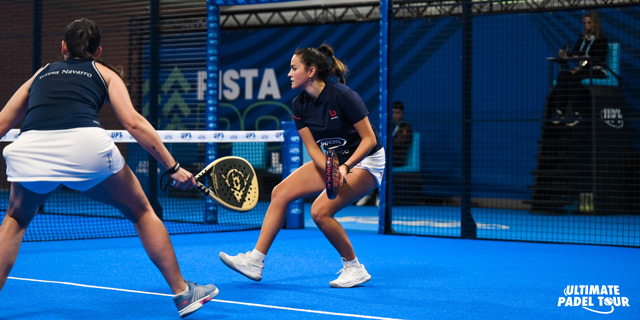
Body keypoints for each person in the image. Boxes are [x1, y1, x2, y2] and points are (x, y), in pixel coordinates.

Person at [0, 18, 217, 318]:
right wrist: (173, 167)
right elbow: (133, 123)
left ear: (63, 47)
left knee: (15, 218)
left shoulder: (41, 73)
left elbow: (1, 123)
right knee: (142, 212)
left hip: (31, 149)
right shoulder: (105, 73)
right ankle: (182, 292)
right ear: (98, 51)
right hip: (86, 148)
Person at [219, 44, 384, 288]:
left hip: (366, 160)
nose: (289, 73)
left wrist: (345, 167)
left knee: (319, 212)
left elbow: (369, 139)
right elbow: (313, 149)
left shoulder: (343, 96)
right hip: (335, 159)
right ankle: (255, 260)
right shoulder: (299, 104)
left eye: (294, 68)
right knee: (280, 192)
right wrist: (330, 169)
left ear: (311, 71)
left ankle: (354, 267)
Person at [548, 11, 608, 125]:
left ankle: (576, 113)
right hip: (582, 70)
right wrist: (565, 54)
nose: (587, 26)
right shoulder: (582, 38)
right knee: (563, 75)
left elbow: (597, 59)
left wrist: (580, 68)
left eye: (589, 23)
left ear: (595, 24)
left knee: (573, 78)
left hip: (596, 70)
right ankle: (560, 111)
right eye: (584, 23)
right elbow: (576, 53)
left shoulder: (601, 40)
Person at [355, 100, 413, 206]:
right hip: (385, 157)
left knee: (381, 164)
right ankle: (369, 193)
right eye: (393, 112)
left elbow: (401, 142)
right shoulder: (388, 126)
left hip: (397, 159)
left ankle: (378, 196)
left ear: (402, 114)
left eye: (398, 112)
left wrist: (387, 142)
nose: (395, 115)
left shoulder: (406, 127)